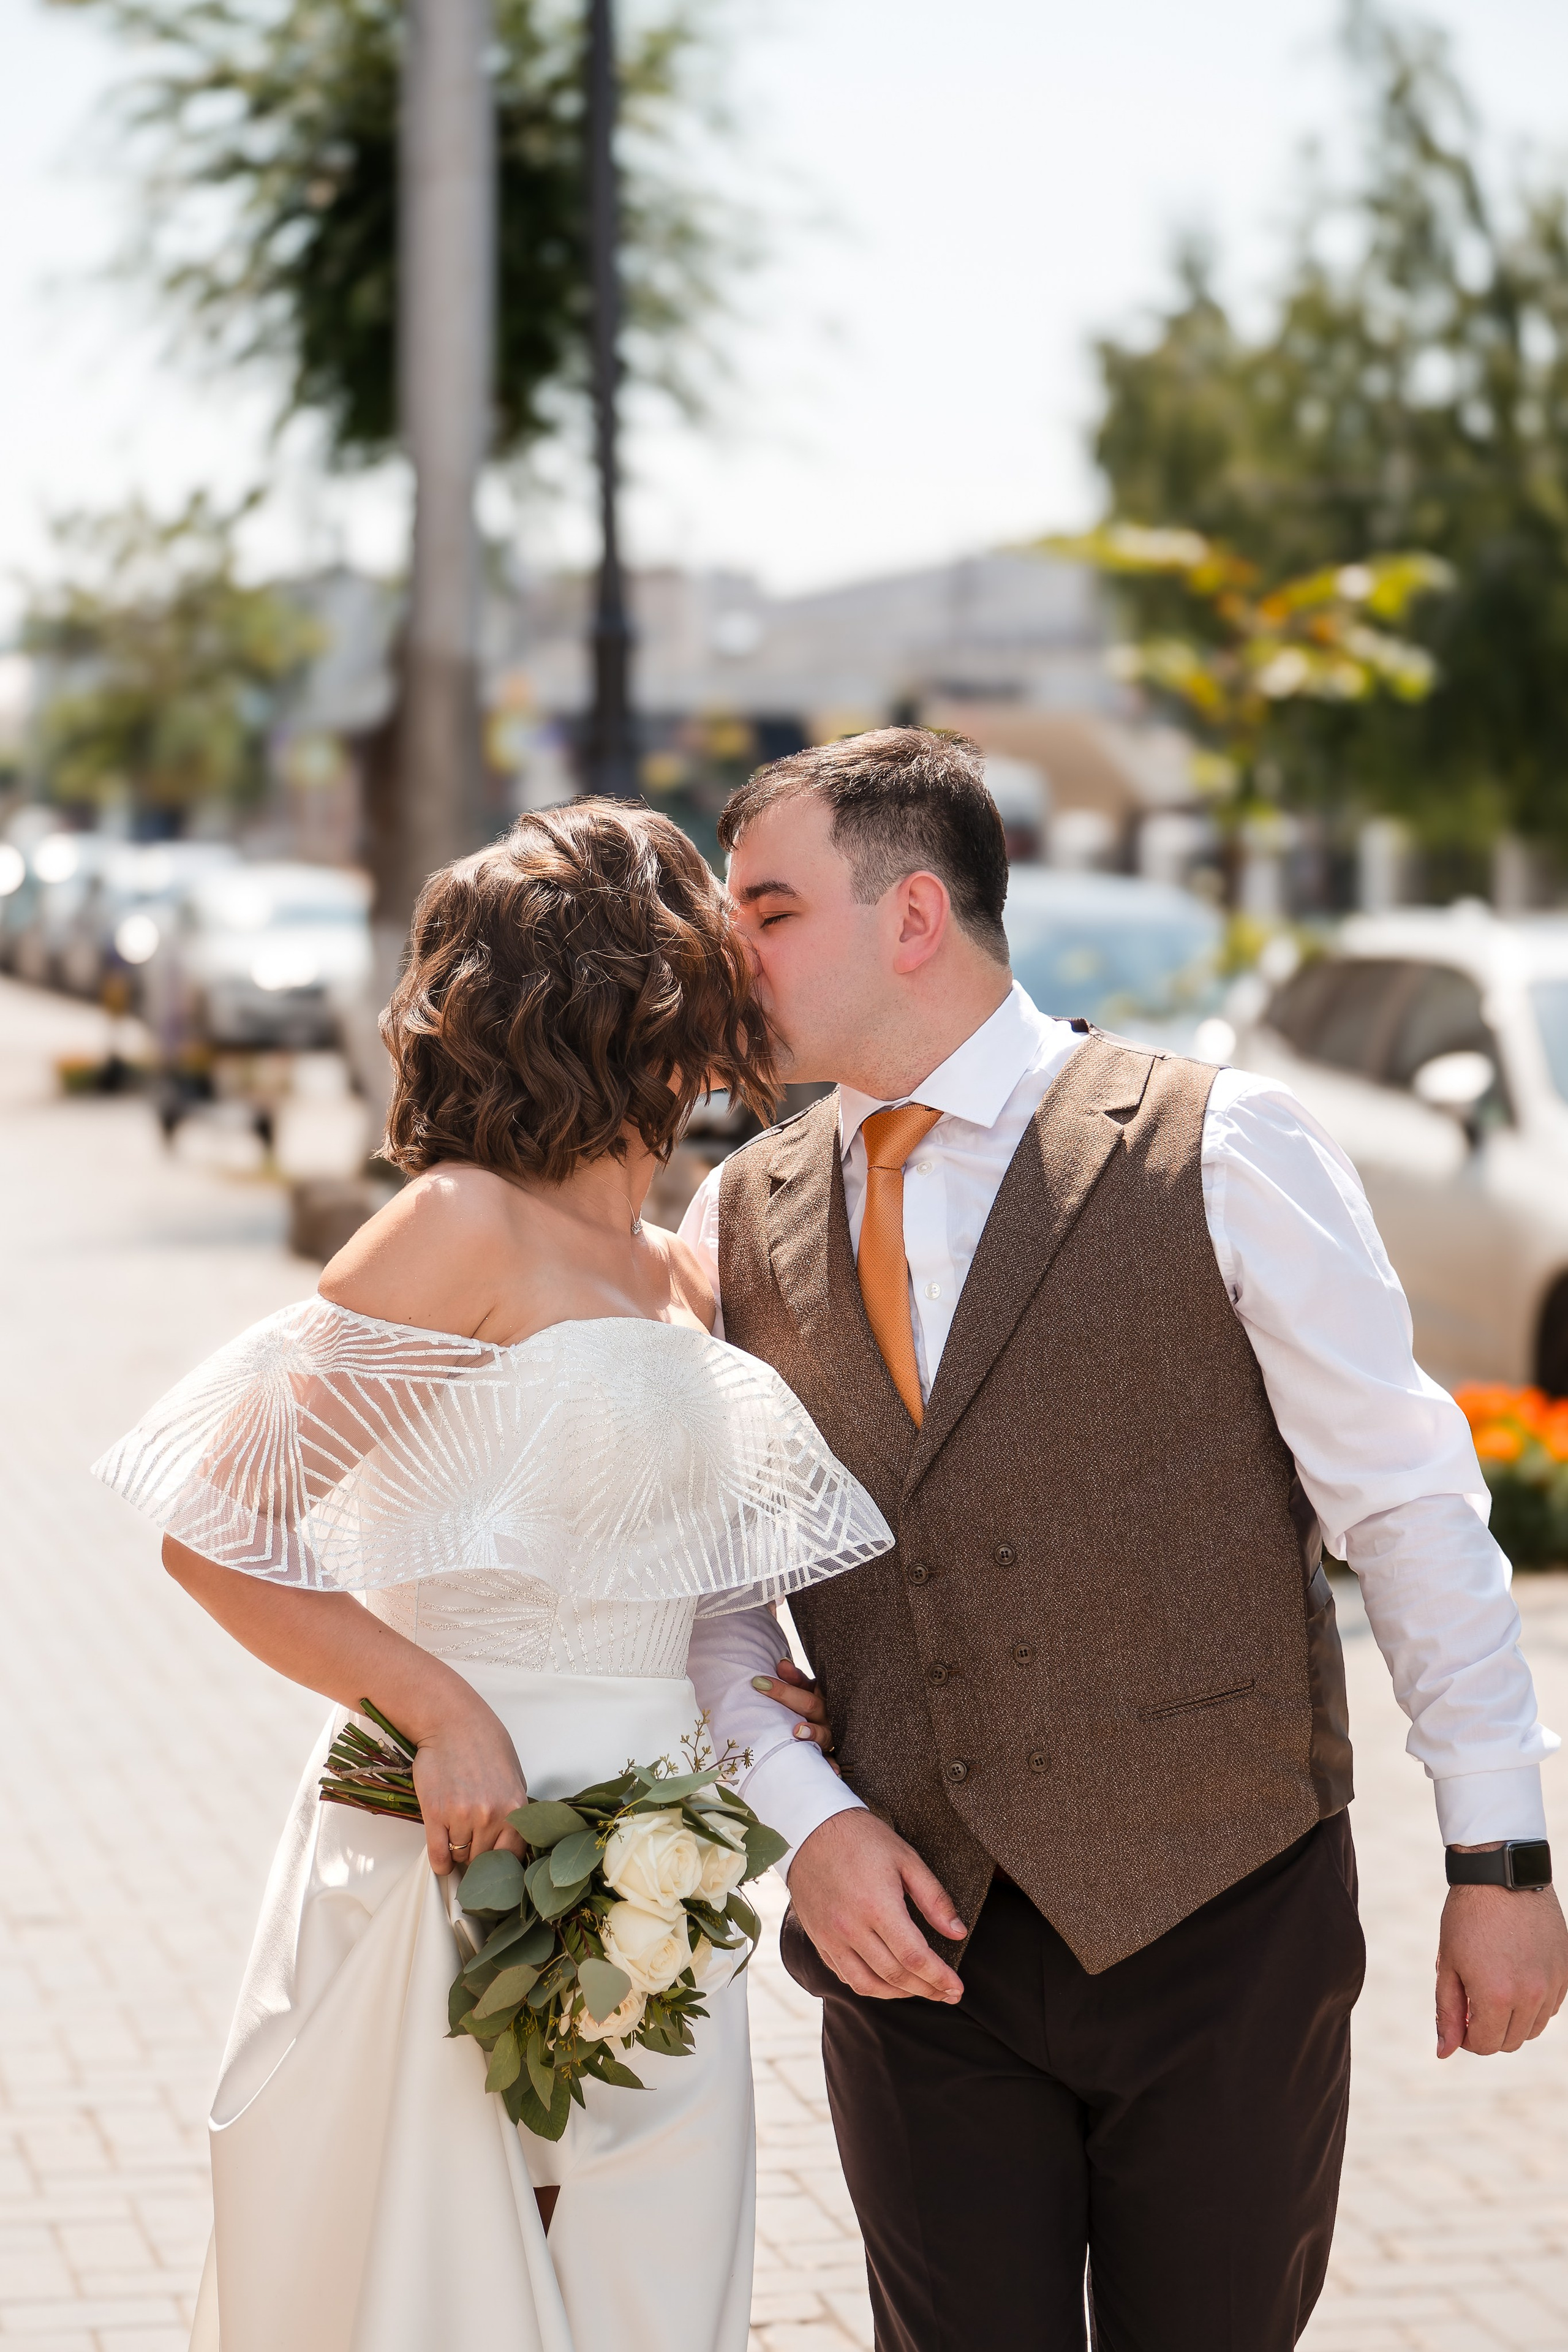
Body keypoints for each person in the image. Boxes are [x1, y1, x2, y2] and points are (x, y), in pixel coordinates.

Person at [680, 727, 1568, 2352]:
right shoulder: (737, 1218)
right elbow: (714, 1601)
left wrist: (1499, 1858)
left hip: (1219, 1922)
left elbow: (1410, 1504)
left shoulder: (1225, 1148)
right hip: (913, 1945)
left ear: (916, 918)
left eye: (769, 910)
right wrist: (805, 1821)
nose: (728, 956)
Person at [93, 802, 889, 2352]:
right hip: (456, 1852)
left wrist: (761, 1676)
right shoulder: (457, 1227)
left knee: (652, 2297)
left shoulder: (672, 1264)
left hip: (663, 1871)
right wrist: (438, 1705)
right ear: (634, 989)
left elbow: (687, 1564)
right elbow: (213, 1529)